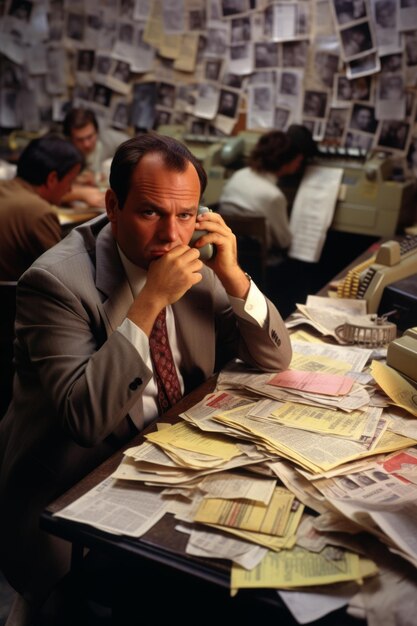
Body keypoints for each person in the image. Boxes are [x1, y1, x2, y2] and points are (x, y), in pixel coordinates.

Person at [0, 132, 292, 624]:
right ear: (113, 206)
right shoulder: (55, 282)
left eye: (186, 215)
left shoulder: (199, 259)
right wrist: (149, 301)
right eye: (151, 212)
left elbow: (275, 358)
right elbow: (85, 418)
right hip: (75, 486)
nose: (172, 236)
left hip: (175, 458)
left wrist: (236, 276)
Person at [219, 125, 317, 256]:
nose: (299, 164)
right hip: (260, 259)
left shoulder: (239, 175)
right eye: (297, 161)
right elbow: (284, 241)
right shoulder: (273, 196)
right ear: (285, 162)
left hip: (228, 251)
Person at [0, 133, 84, 281]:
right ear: (52, 179)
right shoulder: (39, 212)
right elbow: (64, 277)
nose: (69, 190)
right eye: (70, 182)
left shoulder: (5, 188)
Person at [62, 107, 129, 207]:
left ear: (97, 131)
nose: (87, 144)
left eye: (90, 137)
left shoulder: (113, 141)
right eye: (80, 140)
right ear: (70, 139)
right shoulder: (62, 153)